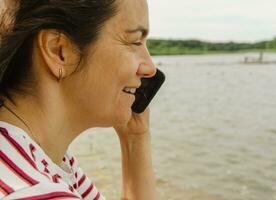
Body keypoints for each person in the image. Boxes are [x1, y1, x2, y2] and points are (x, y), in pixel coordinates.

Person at [0, 0, 158, 199]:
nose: (150, 68)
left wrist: (136, 138)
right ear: (59, 51)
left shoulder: (46, 159)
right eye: (135, 42)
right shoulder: (35, 191)